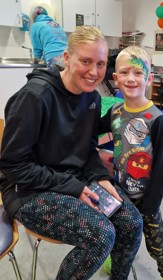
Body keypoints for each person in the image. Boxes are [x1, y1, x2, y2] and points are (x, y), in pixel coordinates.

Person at [0, 26, 143, 280]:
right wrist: (72, 186)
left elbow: (87, 148)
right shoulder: (34, 98)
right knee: (101, 235)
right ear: (67, 58)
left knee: (132, 223)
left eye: (100, 64)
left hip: (74, 177)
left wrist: (100, 175)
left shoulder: (92, 99)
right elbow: (13, 166)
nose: (94, 72)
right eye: (85, 61)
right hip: (28, 190)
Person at [99, 46, 163, 280]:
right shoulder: (114, 111)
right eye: (124, 73)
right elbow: (91, 130)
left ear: (149, 78)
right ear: (115, 78)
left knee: (156, 243)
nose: (130, 78)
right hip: (120, 191)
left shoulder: (156, 120)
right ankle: (117, 259)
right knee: (118, 233)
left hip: (146, 197)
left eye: (138, 72)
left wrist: (152, 205)